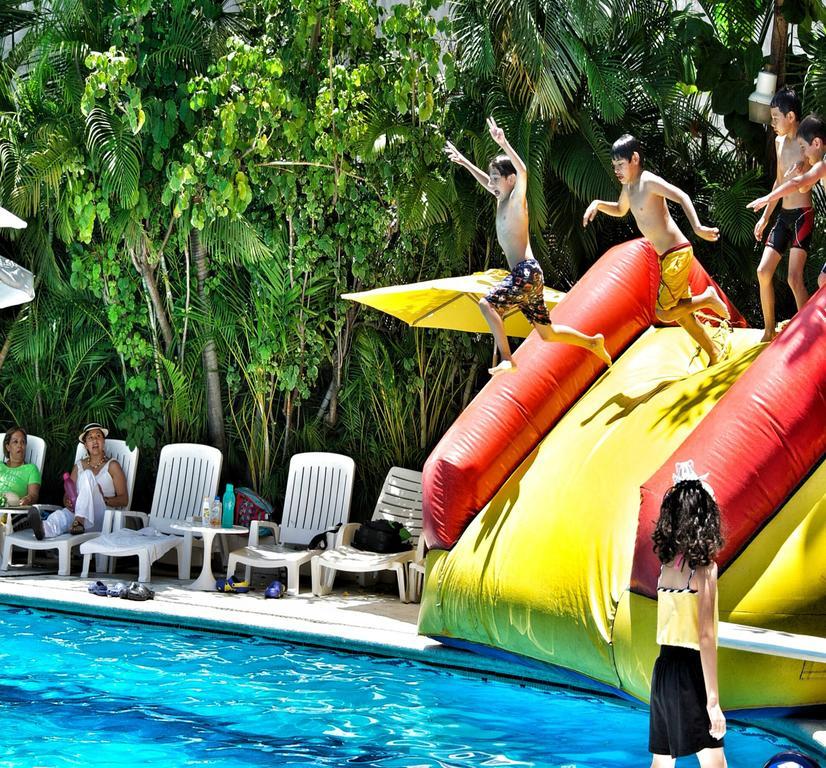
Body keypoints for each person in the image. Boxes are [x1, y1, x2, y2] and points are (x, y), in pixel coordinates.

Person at [445, 117, 612, 376]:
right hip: (526, 275)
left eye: (496, 179)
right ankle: (592, 342)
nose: (492, 184)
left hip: (526, 271)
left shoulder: (516, 201)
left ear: (510, 180)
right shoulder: (501, 199)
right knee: (547, 333)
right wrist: (465, 162)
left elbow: (523, 170)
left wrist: (503, 142)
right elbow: (485, 182)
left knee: (487, 305)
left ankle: (507, 358)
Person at [583, 135, 730, 365]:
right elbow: (621, 210)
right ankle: (714, 353)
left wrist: (698, 227)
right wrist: (598, 204)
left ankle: (707, 298)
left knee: (663, 313)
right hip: (667, 256)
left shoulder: (647, 180)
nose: (617, 171)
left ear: (635, 159)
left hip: (677, 253)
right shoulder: (628, 188)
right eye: (614, 167)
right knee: (682, 316)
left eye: (620, 165)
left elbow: (681, 196)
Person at [649, 460, 727, 768]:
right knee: (714, 763)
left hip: (664, 670)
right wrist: (713, 702)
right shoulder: (703, 570)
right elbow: (705, 637)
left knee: (662, 762)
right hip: (691, 672)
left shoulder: (666, 567)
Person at [749, 89, 814, 342]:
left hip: (802, 215)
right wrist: (766, 217)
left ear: (791, 116)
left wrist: (804, 166)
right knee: (763, 272)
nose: (772, 122)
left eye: (776, 117)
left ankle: (810, 336)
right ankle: (768, 330)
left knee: (794, 278)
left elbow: (807, 181)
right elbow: (778, 182)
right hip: (783, 216)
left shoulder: (805, 143)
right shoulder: (778, 142)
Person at [748, 114, 826, 295]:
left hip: (799, 214)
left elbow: (797, 185)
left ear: (816, 144)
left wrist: (767, 198)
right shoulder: (820, 165)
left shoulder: (822, 166)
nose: (804, 154)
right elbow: (803, 186)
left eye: (803, 148)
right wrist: (800, 172)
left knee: (822, 281)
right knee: (823, 281)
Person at [27, 422, 127, 539]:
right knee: (60, 515)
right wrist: (67, 501)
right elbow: (67, 495)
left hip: (102, 517)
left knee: (87, 475)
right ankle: (44, 529)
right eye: (90, 438)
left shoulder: (112, 465)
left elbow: (124, 499)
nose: (95, 440)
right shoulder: (78, 466)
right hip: (76, 514)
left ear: (103, 442)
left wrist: (103, 498)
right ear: (86, 445)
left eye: (98, 436)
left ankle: (79, 521)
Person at [0, 427, 41, 526]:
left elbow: (33, 495)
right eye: (15, 442)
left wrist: (28, 499)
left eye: (23, 442)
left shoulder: (31, 469)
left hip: (14, 512)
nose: (20, 445)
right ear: (8, 447)